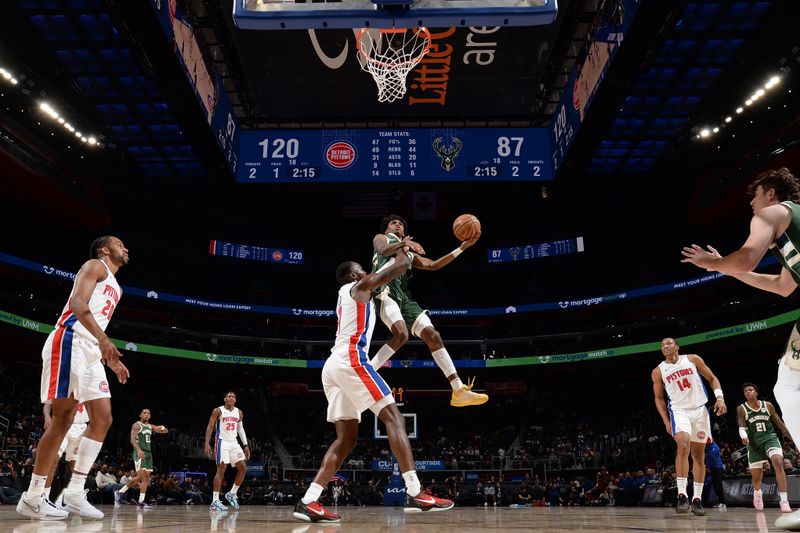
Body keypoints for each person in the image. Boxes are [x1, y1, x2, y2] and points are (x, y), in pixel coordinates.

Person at [293, 249, 454, 523]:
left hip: (335, 365)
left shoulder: (351, 295)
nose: (367, 272)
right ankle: (415, 492)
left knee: (346, 439)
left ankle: (308, 500)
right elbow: (398, 268)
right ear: (354, 275)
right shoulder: (357, 286)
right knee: (394, 417)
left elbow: (398, 332)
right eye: (362, 269)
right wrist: (402, 248)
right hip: (351, 359)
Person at [680, 168, 800, 529]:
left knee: (789, 386)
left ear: (771, 193)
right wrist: (726, 270)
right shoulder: (793, 230)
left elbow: (747, 258)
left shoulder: (772, 213)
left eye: (755, 194)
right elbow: (782, 286)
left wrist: (714, 264)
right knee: (788, 384)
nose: (751, 202)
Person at [16, 236, 130, 520]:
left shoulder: (118, 287)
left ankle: (75, 492)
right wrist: (104, 341)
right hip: (70, 340)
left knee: (103, 418)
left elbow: (97, 320)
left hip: (91, 349)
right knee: (63, 419)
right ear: (105, 249)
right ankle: (32, 496)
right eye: (119, 244)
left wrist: (111, 358)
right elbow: (79, 304)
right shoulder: (95, 265)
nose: (125, 248)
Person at [369, 214, 487, 407]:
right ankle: (369, 371)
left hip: (404, 299)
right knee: (401, 335)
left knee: (433, 335)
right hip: (384, 292)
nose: (398, 224)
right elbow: (382, 251)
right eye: (393, 223)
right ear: (387, 229)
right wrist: (402, 244)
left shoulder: (409, 253)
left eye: (401, 223)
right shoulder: (382, 238)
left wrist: (462, 248)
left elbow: (433, 265)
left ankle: (458, 390)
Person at [652, 337, 726, 517]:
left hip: (700, 410)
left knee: (699, 455)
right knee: (683, 444)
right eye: (662, 345)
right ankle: (682, 495)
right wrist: (666, 421)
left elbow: (712, 378)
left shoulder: (693, 359)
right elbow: (659, 398)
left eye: (669, 344)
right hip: (679, 410)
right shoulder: (658, 371)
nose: (665, 347)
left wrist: (720, 398)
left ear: (677, 347)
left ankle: (697, 500)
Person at [737, 383, 793, 512]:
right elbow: (741, 425)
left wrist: (793, 437)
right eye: (745, 391)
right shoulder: (741, 408)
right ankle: (757, 494)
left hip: (770, 438)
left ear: (756, 392)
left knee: (778, 462)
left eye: (750, 390)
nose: (748, 392)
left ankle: (784, 501)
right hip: (754, 443)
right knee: (756, 477)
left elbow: (779, 423)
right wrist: (744, 435)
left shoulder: (767, 405)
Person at [204, 391, 250, 512]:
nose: (231, 398)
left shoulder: (239, 412)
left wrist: (246, 445)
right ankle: (215, 501)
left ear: (235, 400)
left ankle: (232, 493)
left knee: (243, 468)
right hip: (221, 442)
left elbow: (241, 430)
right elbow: (210, 426)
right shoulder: (218, 411)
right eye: (229, 396)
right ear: (225, 399)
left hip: (233, 442)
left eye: (234, 396)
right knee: (221, 469)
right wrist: (206, 443)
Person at [115, 408, 168, 507]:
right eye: (145, 413)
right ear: (140, 415)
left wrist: (162, 428)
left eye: (148, 413)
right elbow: (132, 440)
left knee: (143, 477)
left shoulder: (150, 426)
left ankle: (119, 492)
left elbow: (165, 431)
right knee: (144, 477)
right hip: (140, 452)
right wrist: (139, 450)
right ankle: (141, 502)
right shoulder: (136, 425)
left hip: (149, 453)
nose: (147, 414)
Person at [42, 400, 88, 506]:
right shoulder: (63, 384)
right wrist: (47, 417)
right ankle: (44, 496)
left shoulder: (89, 385)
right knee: (53, 459)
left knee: (75, 466)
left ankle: (74, 496)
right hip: (62, 425)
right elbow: (48, 404)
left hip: (81, 428)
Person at [703, 441, 726, 509]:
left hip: (718, 467)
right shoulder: (706, 446)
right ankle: (719, 502)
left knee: (719, 485)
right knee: (715, 485)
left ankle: (723, 503)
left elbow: (711, 455)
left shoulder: (715, 446)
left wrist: (703, 453)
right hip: (712, 468)